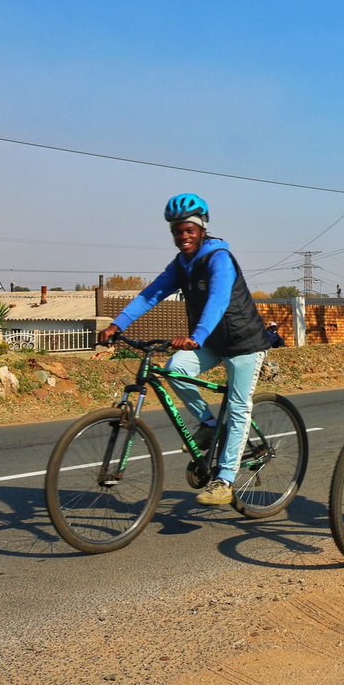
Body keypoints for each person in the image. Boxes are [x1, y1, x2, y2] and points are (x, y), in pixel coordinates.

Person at [96, 193, 271, 507]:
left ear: (202, 229)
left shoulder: (219, 258)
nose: (183, 236)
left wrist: (197, 334)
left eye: (189, 229)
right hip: (212, 343)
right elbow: (150, 295)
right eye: (177, 230)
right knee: (176, 368)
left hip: (244, 343)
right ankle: (209, 424)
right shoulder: (181, 265)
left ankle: (225, 479)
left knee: (239, 405)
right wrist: (117, 325)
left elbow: (218, 300)